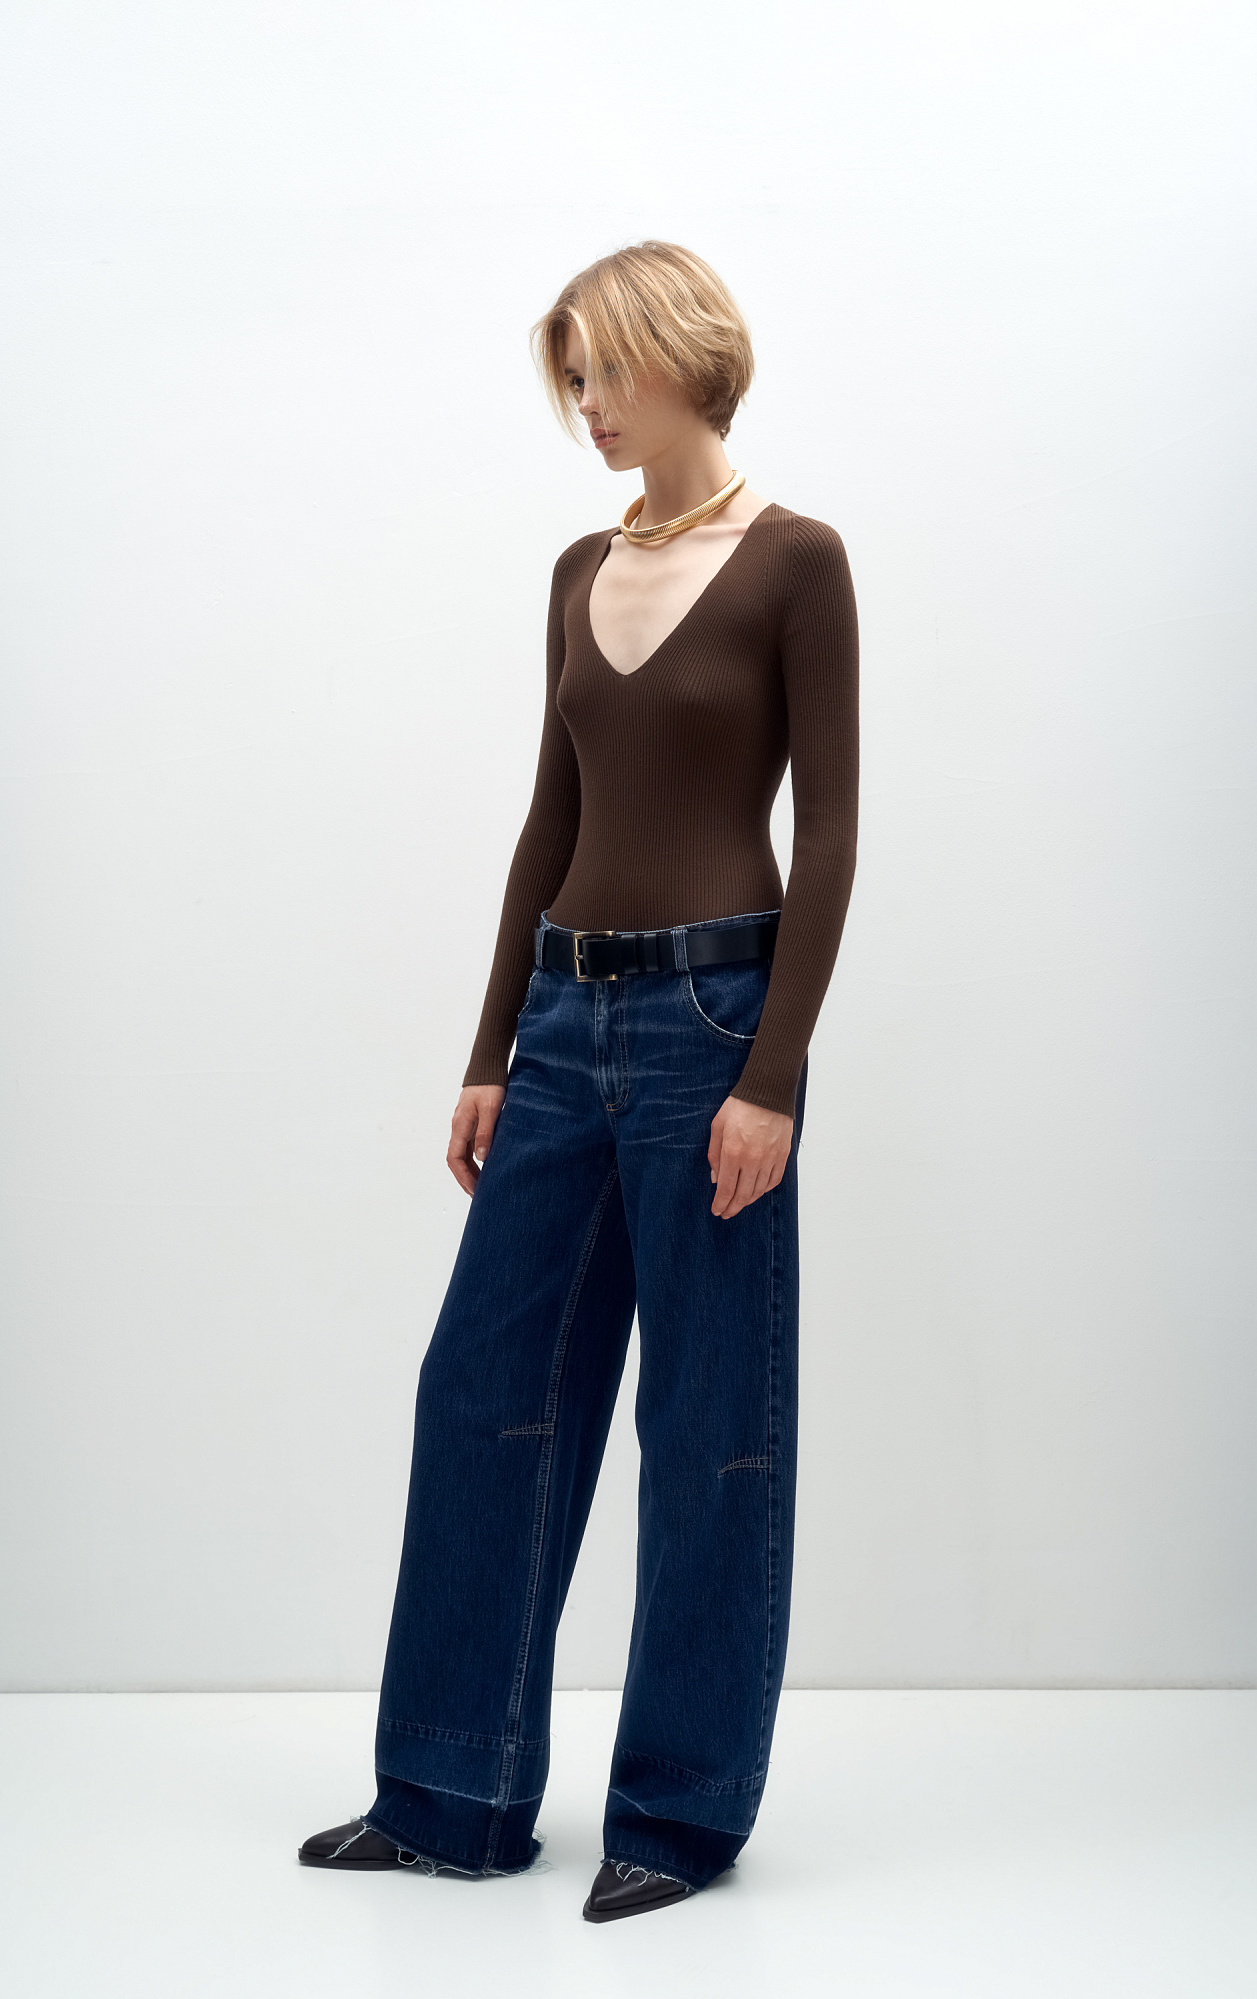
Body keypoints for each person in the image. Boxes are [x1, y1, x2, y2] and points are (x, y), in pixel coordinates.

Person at [299, 241, 859, 1923]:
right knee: (484, 1391)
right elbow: (549, 820)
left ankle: (677, 1818)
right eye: (574, 381)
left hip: (711, 1026)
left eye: (603, 372)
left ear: (680, 356)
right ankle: (450, 1792)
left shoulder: (798, 562)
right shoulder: (575, 572)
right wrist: (492, 1047)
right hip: (562, 1025)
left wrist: (773, 1077)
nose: (588, 406)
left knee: (708, 1425)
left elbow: (830, 834)